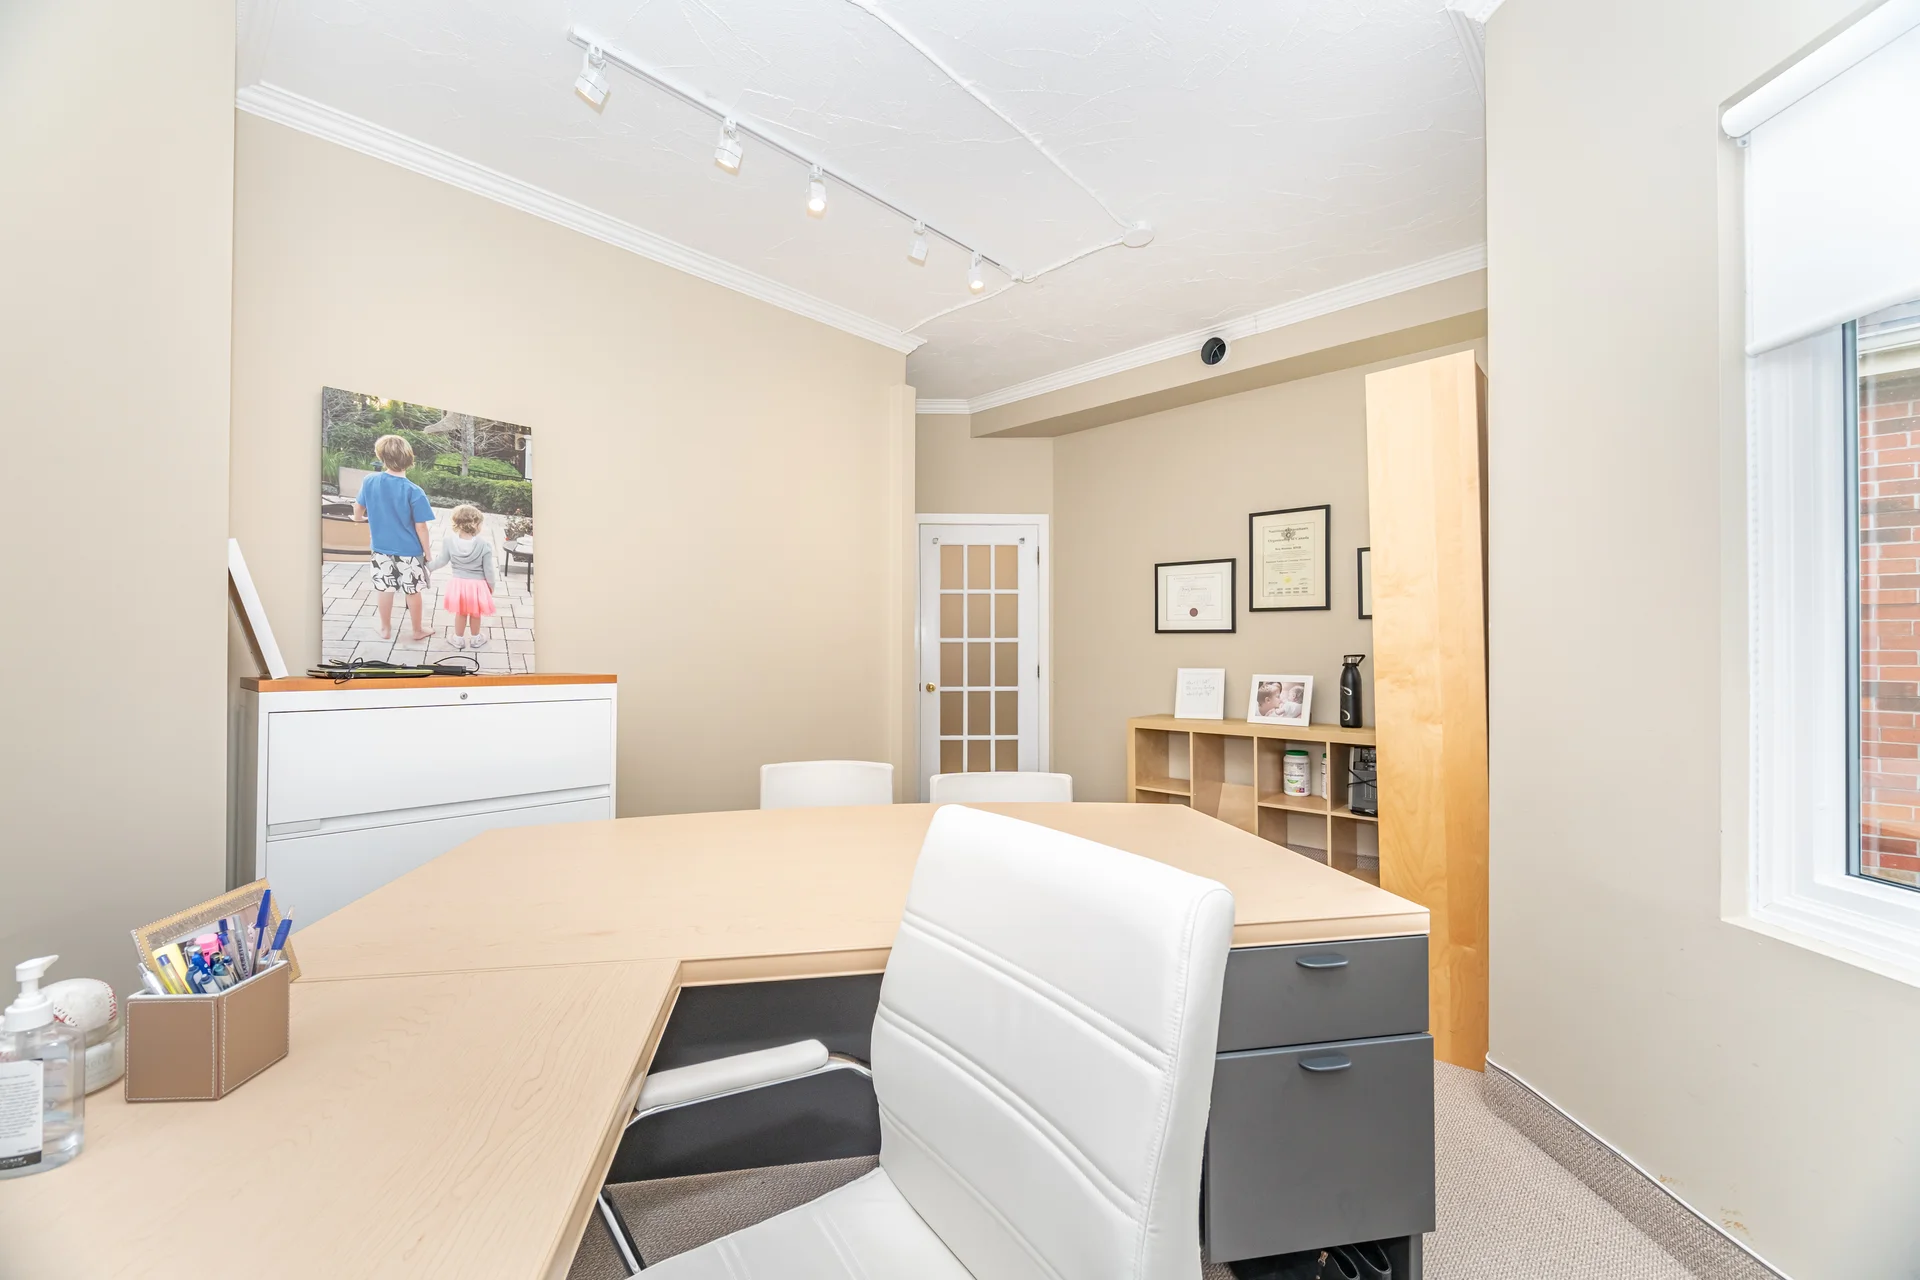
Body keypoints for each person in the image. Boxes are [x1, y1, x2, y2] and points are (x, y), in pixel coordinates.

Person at [354, 434, 436, 642]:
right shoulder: (414, 491)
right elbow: (421, 527)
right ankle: (417, 630)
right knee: (413, 591)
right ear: (409, 458)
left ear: (381, 457)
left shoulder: (370, 481)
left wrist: (358, 519)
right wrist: (427, 553)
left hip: (381, 549)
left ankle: (385, 629)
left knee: (384, 588)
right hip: (409, 552)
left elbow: (358, 508)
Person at [427, 503, 499, 649]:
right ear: (475, 524)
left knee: (461, 612)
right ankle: (476, 639)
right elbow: (489, 570)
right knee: (475, 613)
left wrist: (428, 566)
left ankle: (458, 639)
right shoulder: (484, 545)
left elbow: (442, 560)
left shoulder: (449, 541)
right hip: (477, 585)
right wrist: (491, 586)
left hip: (459, 584)